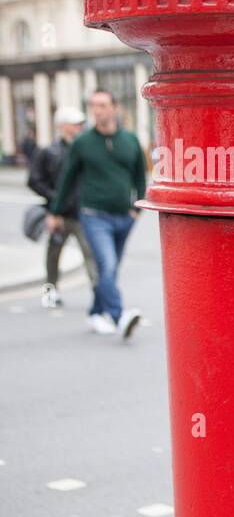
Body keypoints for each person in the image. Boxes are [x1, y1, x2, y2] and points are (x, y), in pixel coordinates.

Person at [47, 89, 146, 341]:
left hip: (124, 217)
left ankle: (95, 312)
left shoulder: (130, 140)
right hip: (94, 215)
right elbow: (67, 179)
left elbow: (140, 175)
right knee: (107, 264)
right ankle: (119, 317)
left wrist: (136, 209)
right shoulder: (83, 143)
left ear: (114, 108)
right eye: (93, 106)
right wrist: (55, 212)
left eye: (102, 105)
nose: (97, 110)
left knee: (110, 270)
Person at [28, 106, 97, 309]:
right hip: (58, 215)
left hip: (82, 214)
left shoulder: (84, 150)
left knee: (91, 255)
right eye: (75, 124)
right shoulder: (48, 152)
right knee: (53, 257)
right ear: (63, 126)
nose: (79, 127)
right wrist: (54, 200)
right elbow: (34, 180)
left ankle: (100, 295)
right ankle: (50, 293)